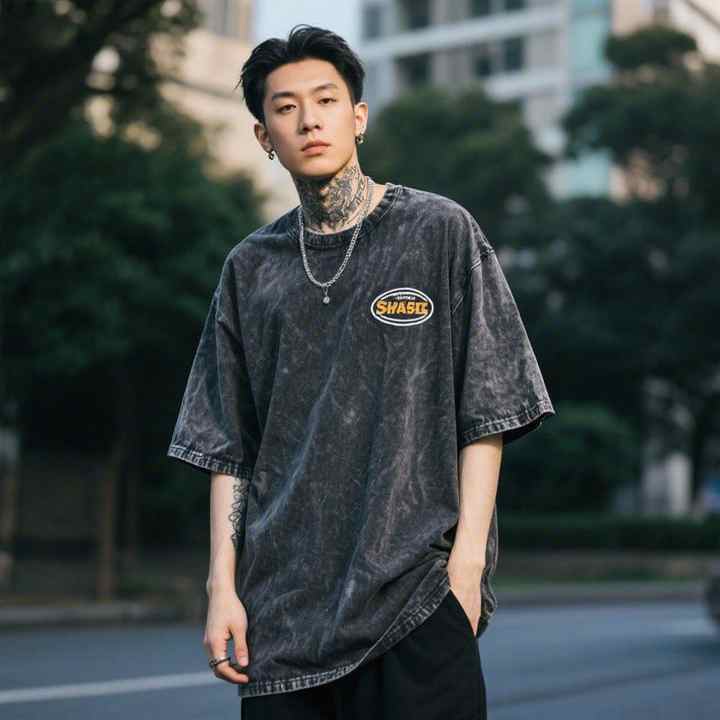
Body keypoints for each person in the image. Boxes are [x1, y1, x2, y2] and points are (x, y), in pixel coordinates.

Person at [167, 23, 556, 719]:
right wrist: (221, 587)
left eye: (326, 100)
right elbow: (228, 445)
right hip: (282, 620)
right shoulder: (250, 269)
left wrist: (466, 568)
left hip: (416, 603)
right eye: (286, 108)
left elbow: (489, 408)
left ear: (359, 116)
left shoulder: (438, 231)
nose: (309, 120)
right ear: (263, 135)